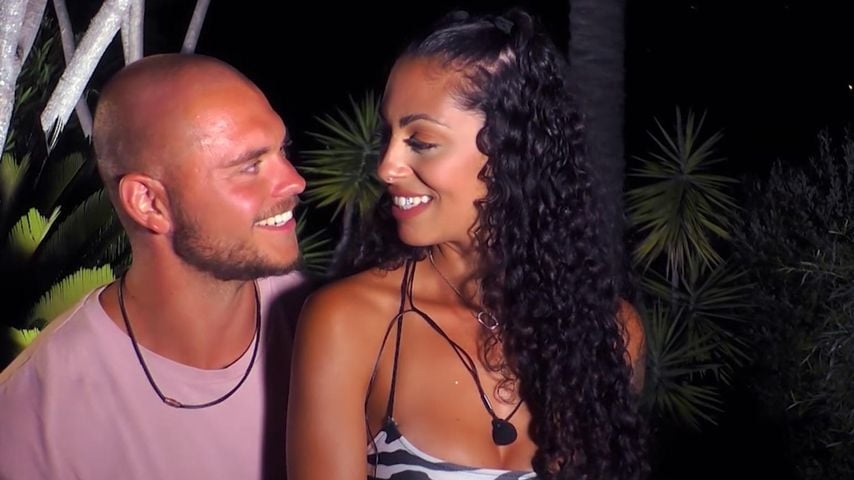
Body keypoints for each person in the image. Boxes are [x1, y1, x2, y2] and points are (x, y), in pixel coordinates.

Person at [287, 7, 646, 480]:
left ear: (510, 151)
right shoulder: (350, 321)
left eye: (421, 141)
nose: (386, 167)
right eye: (388, 135)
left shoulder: (608, 331)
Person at [0, 54, 309, 479]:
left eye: (282, 151)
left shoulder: (328, 320)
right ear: (149, 203)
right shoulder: (34, 419)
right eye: (250, 166)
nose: (294, 181)